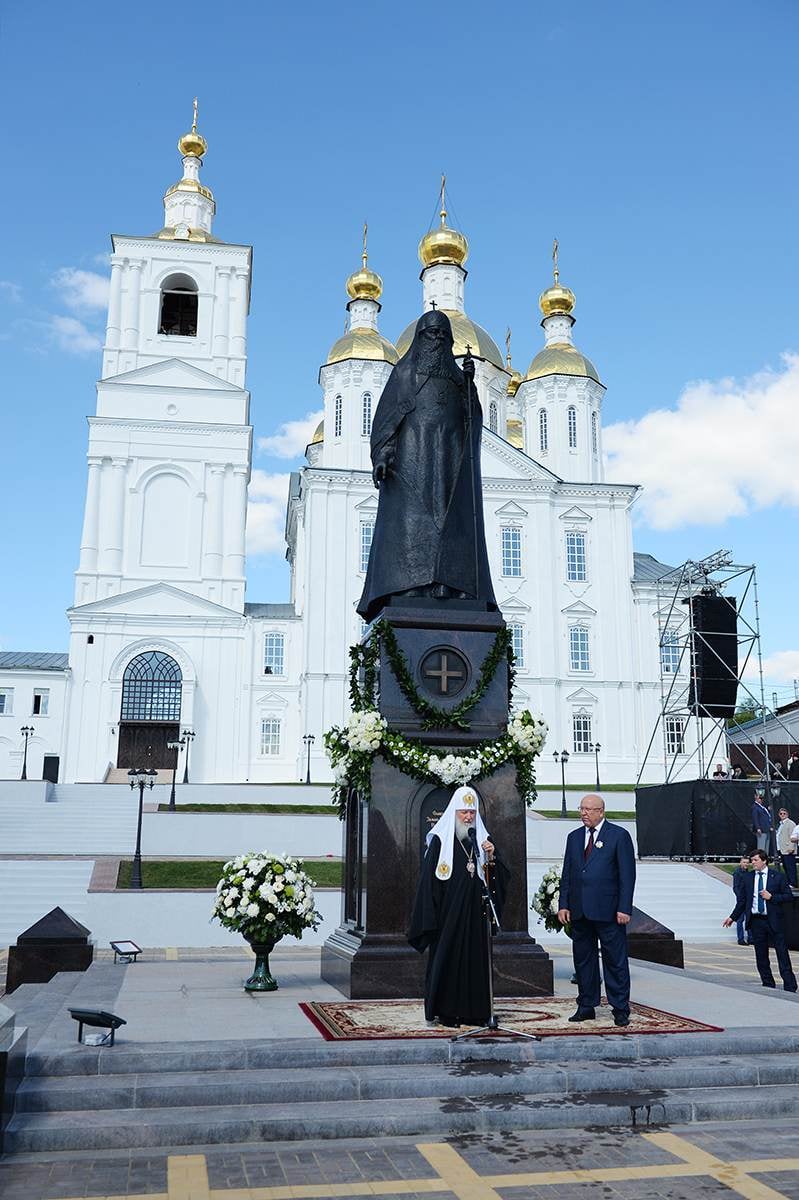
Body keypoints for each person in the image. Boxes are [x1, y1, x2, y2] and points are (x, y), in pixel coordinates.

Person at [357, 309, 497, 623]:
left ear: (449, 340)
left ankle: (452, 587)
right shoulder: (405, 375)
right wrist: (382, 455)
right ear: (421, 338)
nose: (436, 339)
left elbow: (472, 419)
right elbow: (386, 419)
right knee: (410, 527)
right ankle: (408, 586)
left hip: (450, 463)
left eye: (441, 334)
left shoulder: (460, 380)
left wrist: (471, 389)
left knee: (454, 525)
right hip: (411, 463)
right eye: (430, 333)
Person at [408, 784, 508, 1027]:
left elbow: (500, 878)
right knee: (449, 962)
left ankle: (476, 1012)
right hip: (448, 917)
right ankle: (448, 1012)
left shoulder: (482, 841)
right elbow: (428, 884)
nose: (468, 817)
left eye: (472, 812)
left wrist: (492, 857)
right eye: (464, 812)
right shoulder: (440, 843)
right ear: (454, 812)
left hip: (476, 915)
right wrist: (431, 919)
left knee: (476, 962)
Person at [557, 794, 636, 1026]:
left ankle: (620, 1007)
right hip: (580, 911)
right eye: (581, 808)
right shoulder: (573, 837)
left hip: (609, 911)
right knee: (583, 960)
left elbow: (627, 875)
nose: (584, 813)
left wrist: (624, 907)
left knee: (615, 960)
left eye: (589, 809)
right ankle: (586, 1004)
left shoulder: (619, 836)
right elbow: (567, 874)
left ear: (601, 811)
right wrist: (563, 904)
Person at [723, 850, 798, 991]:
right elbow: (743, 901)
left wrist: (772, 897)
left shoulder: (778, 877)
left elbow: (788, 897)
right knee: (761, 955)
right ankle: (768, 983)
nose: (753, 863)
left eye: (755, 860)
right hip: (756, 921)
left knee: (782, 953)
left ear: (764, 861)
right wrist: (732, 917)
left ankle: (790, 984)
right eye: (752, 860)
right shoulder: (748, 878)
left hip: (774, 920)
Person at [731, 855, 751, 945]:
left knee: (749, 919)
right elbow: (736, 887)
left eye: (747, 862)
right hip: (741, 900)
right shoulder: (737, 873)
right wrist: (740, 899)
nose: (746, 864)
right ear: (740, 862)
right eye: (744, 862)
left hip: (748, 899)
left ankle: (751, 938)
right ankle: (741, 939)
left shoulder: (748, 873)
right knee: (740, 919)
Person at [777, 808, 798, 888]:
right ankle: (790, 882)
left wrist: (791, 847)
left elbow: (793, 836)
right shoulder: (780, 824)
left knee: (791, 867)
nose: (782, 815)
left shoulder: (790, 823)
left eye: (784, 813)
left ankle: (793, 883)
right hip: (782, 849)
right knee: (786, 867)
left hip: (788, 849)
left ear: (787, 814)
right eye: (781, 813)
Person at [752, 789, 773, 854]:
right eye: (759, 798)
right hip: (762, 829)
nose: (761, 799)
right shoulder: (755, 807)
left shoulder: (763, 807)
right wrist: (758, 828)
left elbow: (766, 817)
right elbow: (755, 818)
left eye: (761, 798)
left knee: (766, 847)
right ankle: (760, 860)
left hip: (767, 829)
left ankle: (765, 860)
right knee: (761, 847)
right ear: (755, 797)